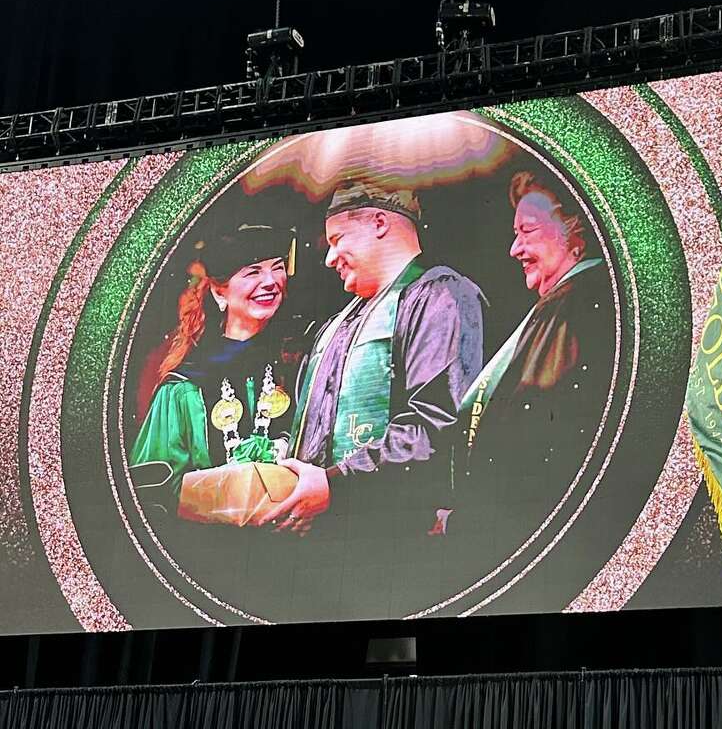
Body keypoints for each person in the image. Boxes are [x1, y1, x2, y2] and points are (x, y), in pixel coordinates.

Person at [266, 179, 485, 555]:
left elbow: (435, 428)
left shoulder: (439, 295)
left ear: (379, 224)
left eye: (337, 240)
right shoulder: (337, 324)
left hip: (389, 547)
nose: (329, 258)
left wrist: (335, 484)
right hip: (317, 546)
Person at [455, 170, 615, 567]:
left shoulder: (581, 303)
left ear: (574, 228)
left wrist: (470, 521)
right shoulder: (559, 306)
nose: (514, 249)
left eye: (527, 231)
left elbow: (541, 442)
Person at [129, 222, 295, 501]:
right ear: (220, 292)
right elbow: (153, 490)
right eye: (253, 272)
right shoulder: (186, 384)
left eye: (277, 267)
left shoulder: (303, 359)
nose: (270, 281)